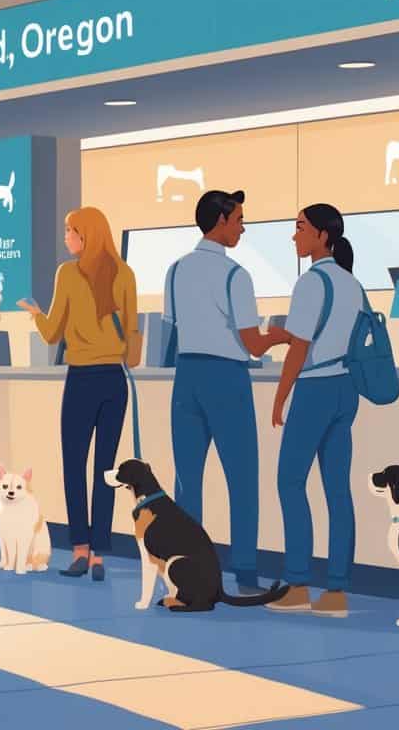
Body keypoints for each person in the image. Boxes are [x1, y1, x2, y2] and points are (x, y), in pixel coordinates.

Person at [162, 190, 288, 592]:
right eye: (238, 220)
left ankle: (187, 569)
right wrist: (281, 336)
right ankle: (246, 571)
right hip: (227, 379)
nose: (242, 228)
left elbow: (176, 325)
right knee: (242, 478)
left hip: (187, 376)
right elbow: (252, 344)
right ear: (220, 221)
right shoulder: (237, 276)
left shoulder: (175, 269)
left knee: (187, 480)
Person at [19, 207, 139, 581]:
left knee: (74, 466)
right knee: (106, 470)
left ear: (86, 235)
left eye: (70, 231)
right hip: (115, 382)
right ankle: (101, 554)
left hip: (82, 380)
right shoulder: (125, 273)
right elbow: (133, 341)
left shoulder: (68, 274)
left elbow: (53, 333)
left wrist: (36, 313)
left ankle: (80, 551)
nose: (66, 238)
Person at [267, 204, 362, 617]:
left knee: (290, 481)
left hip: (315, 390)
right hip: (346, 389)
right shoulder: (352, 284)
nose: (294, 237)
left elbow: (300, 346)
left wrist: (280, 394)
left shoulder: (311, 283)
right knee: (338, 491)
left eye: (300, 228)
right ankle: (338, 591)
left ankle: (298, 584)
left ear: (323, 235)